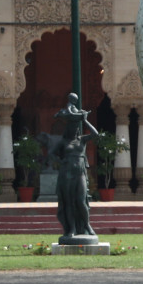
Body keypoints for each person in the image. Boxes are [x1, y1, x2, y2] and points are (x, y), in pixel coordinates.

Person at [52, 93, 99, 239]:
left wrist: (84, 120)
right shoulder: (63, 142)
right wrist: (61, 162)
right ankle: (71, 228)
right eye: (71, 127)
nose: (73, 129)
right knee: (69, 202)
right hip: (66, 172)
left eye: (75, 127)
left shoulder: (82, 140)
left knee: (80, 200)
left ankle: (86, 225)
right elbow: (51, 154)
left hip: (80, 172)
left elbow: (95, 134)